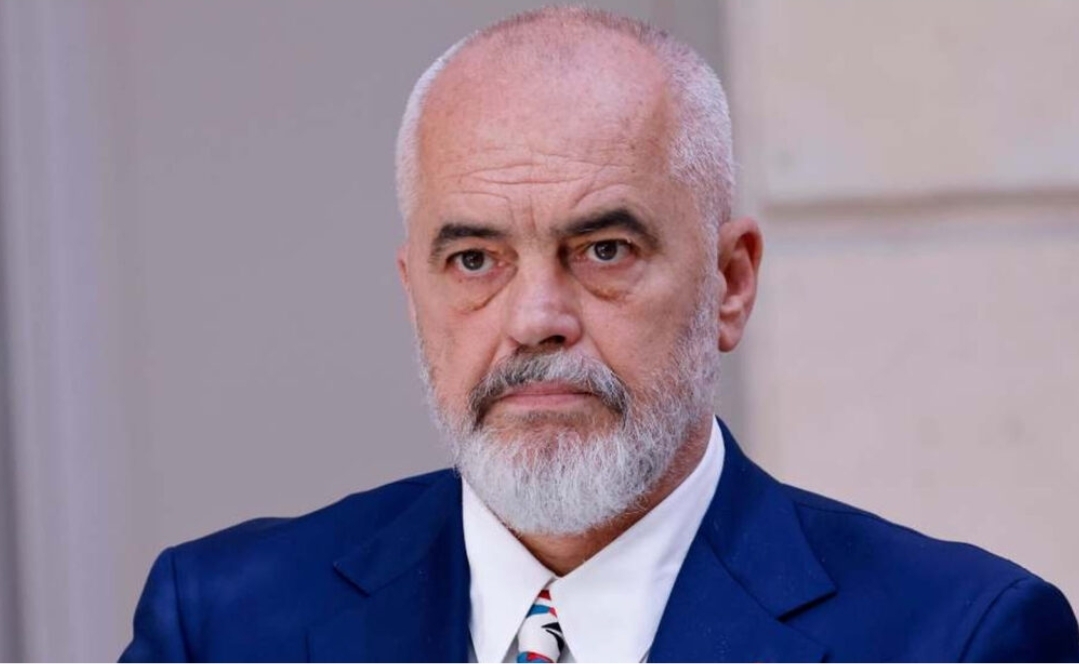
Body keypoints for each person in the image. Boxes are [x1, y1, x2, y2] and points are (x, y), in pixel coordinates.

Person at [121, 7, 1079, 662]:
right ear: (414, 295)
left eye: (604, 249)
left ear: (729, 282)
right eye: (475, 259)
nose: (535, 319)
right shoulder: (224, 625)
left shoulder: (956, 638)